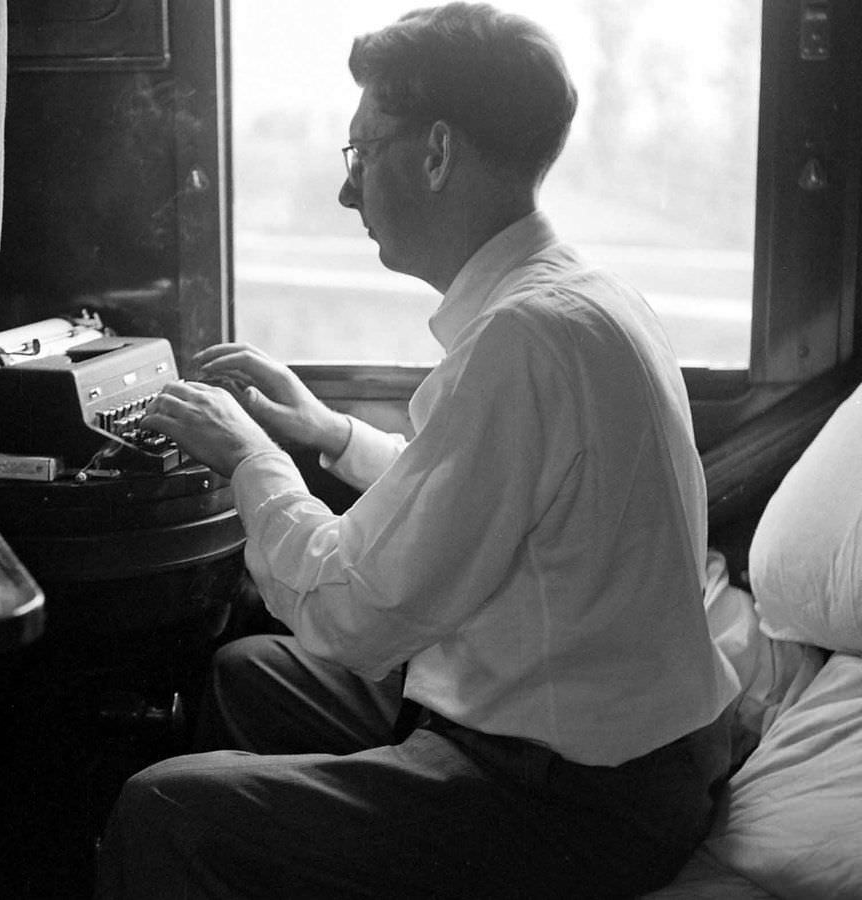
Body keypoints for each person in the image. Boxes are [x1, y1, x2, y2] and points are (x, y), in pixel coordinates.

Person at [97, 3, 740, 897]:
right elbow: (491, 503)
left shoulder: (521, 338)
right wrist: (328, 432)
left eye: (361, 154)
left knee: (163, 809)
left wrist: (251, 459)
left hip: (573, 797)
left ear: (436, 153)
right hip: (630, 748)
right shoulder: (582, 297)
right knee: (249, 674)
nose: (347, 191)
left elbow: (353, 613)